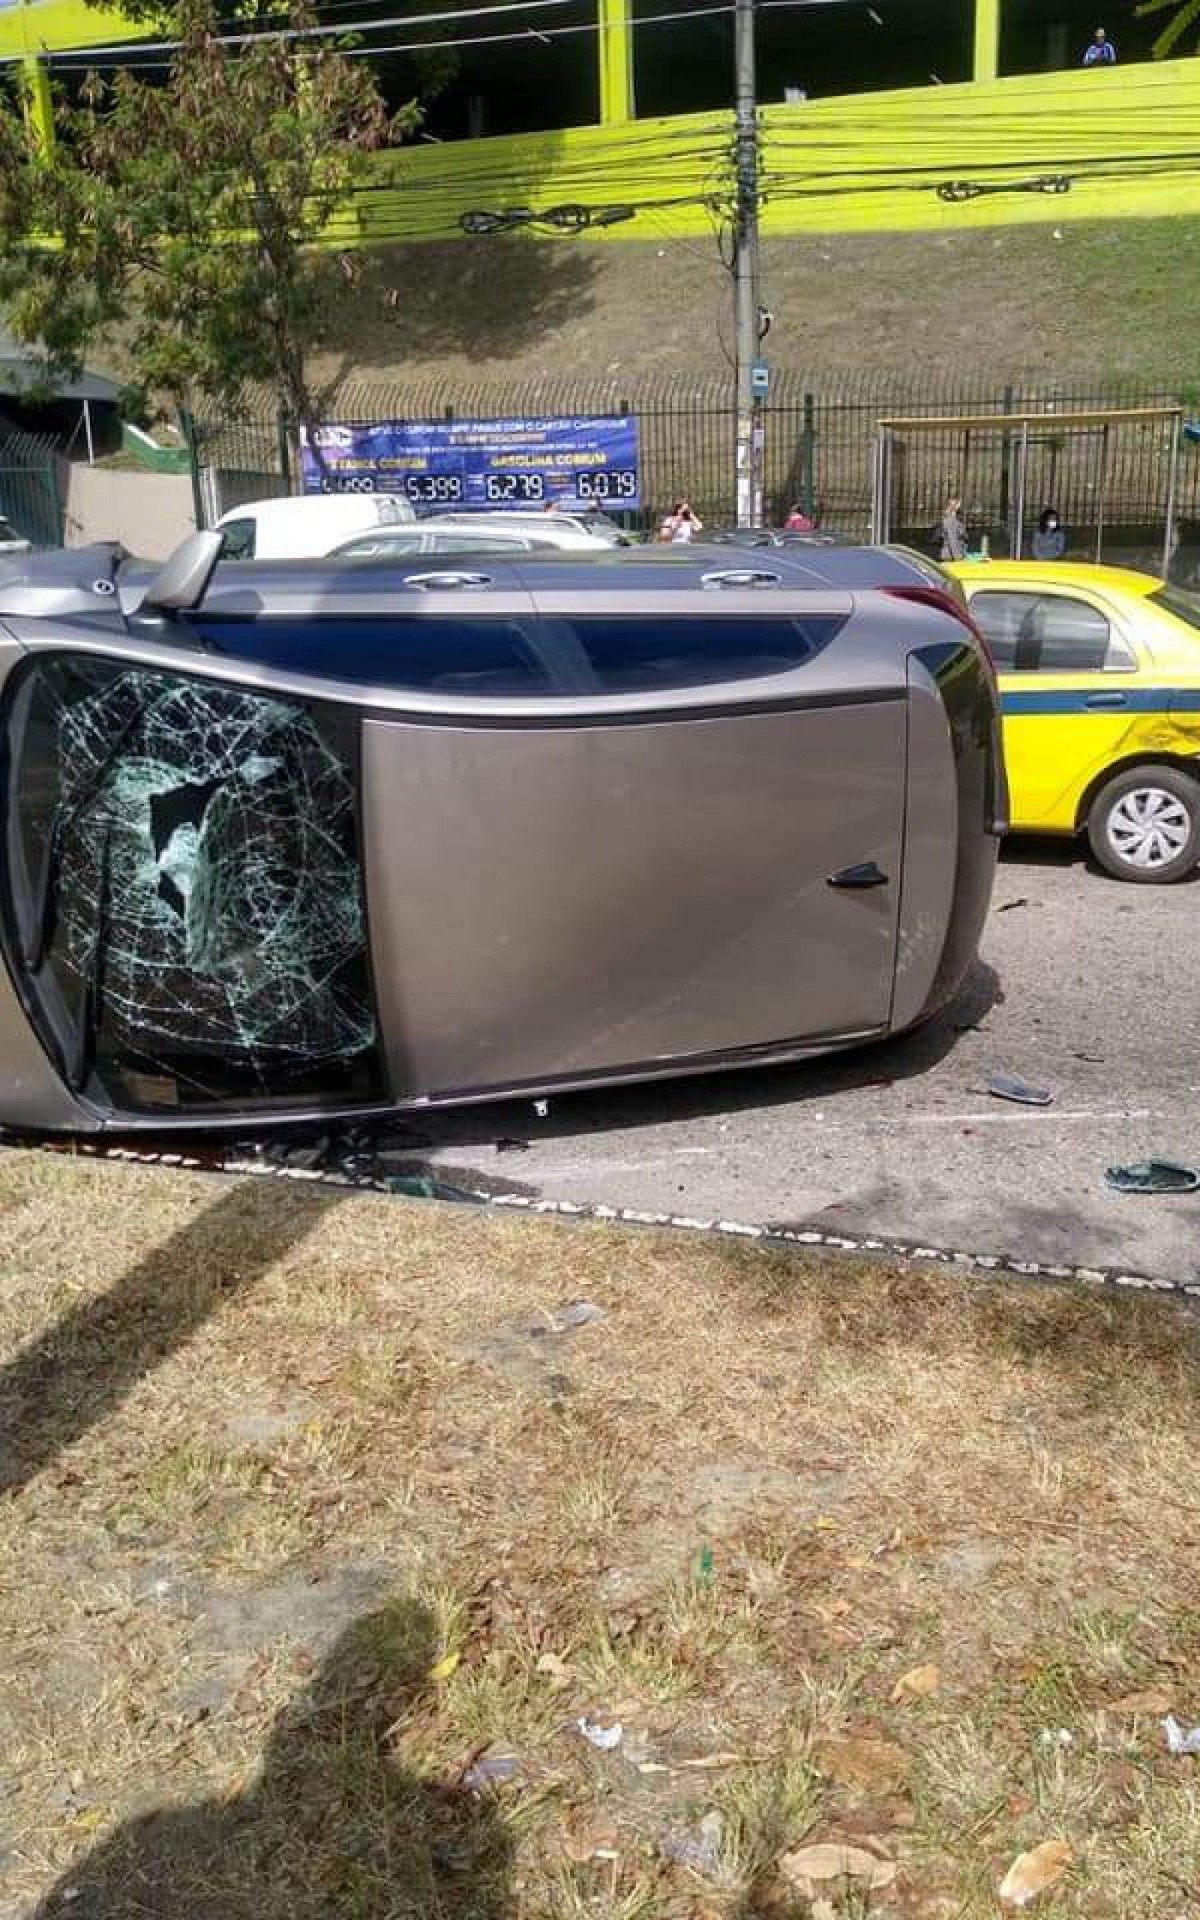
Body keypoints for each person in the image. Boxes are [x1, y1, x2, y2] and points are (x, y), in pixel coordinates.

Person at [939, 493, 967, 563]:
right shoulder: (951, 521)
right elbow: (953, 541)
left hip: (951, 556)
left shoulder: (953, 519)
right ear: (957, 505)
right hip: (951, 557)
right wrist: (959, 559)